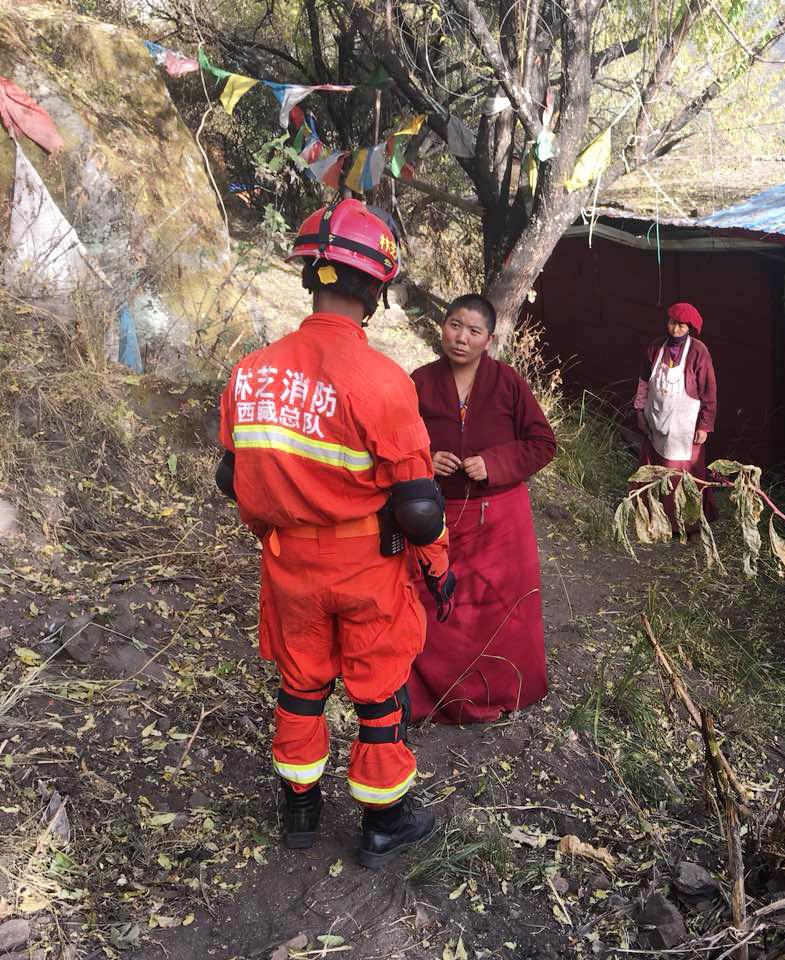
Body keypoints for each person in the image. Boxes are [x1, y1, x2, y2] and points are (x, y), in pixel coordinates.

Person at [215, 198, 454, 869]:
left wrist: (279, 529)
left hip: (287, 563)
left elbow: (230, 478)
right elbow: (419, 509)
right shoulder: (381, 380)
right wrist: (438, 566)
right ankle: (385, 823)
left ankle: (299, 810)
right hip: (365, 566)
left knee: (301, 685)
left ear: (306, 277)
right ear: (375, 289)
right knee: (378, 691)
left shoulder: (249, 372)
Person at [407, 294, 557, 724]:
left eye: (474, 331)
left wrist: (494, 463)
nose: (461, 338)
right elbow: (397, 444)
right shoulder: (418, 382)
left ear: (488, 339)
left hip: (500, 518)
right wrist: (425, 460)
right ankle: (434, 694)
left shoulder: (507, 382)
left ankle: (502, 689)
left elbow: (543, 444)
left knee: (500, 608)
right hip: (436, 513)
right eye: (455, 325)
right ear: (443, 326)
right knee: (436, 602)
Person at [633, 302, 718, 522]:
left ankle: (681, 523)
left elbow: (709, 391)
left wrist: (705, 425)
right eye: (672, 323)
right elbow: (643, 381)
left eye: (681, 325)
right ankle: (649, 516)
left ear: (690, 327)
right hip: (656, 418)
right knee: (653, 469)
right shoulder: (655, 348)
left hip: (684, 426)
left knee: (680, 475)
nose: (675, 329)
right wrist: (640, 411)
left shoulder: (699, 352)